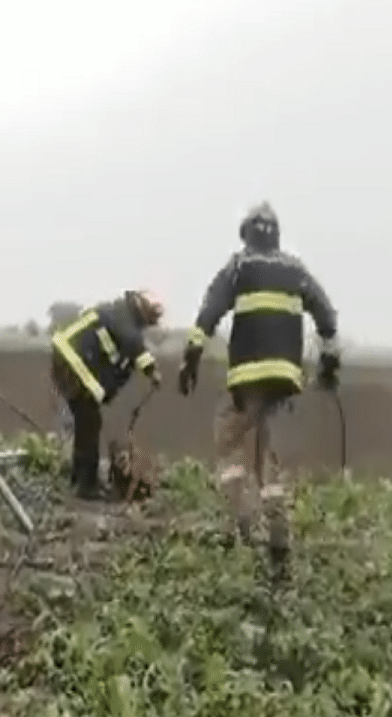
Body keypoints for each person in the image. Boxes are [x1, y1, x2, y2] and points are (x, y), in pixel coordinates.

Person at [177, 201, 341, 580]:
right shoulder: (296, 270)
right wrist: (330, 366)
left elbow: (208, 315)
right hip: (285, 377)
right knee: (269, 454)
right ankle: (279, 536)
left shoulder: (239, 267)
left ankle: (242, 523)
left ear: (245, 234)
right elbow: (328, 319)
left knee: (229, 439)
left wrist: (190, 360)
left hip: (247, 376)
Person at [50, 290, 164, 500]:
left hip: (70, 362)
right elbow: (132, 341)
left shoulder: (123, 317)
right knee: (90, 422)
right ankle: (87, 486)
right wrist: (152, 370)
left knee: (87, 421)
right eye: (152, 318)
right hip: (72, 362)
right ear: (142, 307)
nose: (151, 324)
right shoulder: (122, 314)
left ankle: (79, 478)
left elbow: (124, 354)